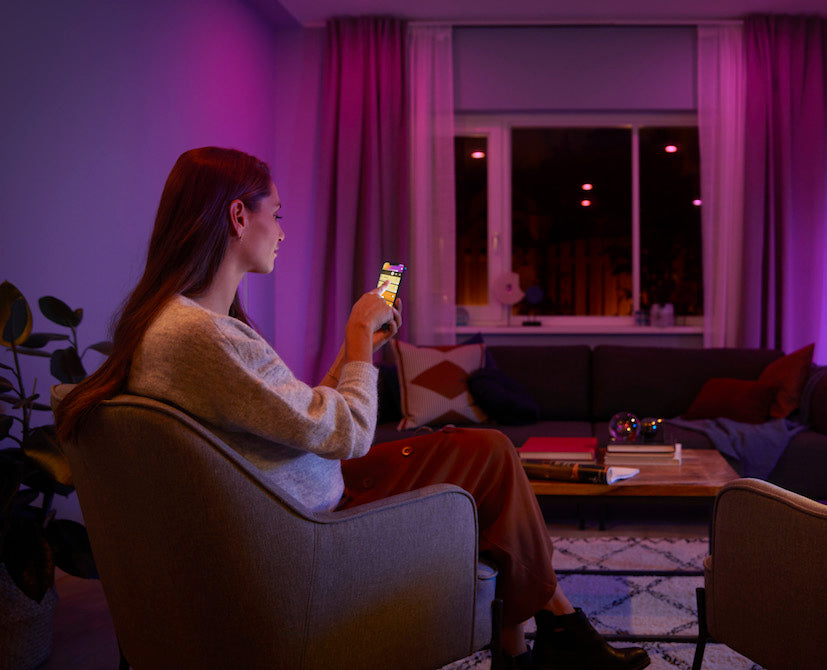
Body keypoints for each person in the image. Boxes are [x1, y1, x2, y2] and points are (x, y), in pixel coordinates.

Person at [56, 147, 649, 670]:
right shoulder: (202, 337)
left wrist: (353, 354)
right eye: (276, 214)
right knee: (490, 454)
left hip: (294, 496)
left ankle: (536, 640)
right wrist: (361, 333)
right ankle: (553, 632)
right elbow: (350, 433)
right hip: (315, 526)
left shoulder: (175, 326)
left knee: (484, 452)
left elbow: (302, 418)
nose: (282, 231)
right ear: (238, 216)